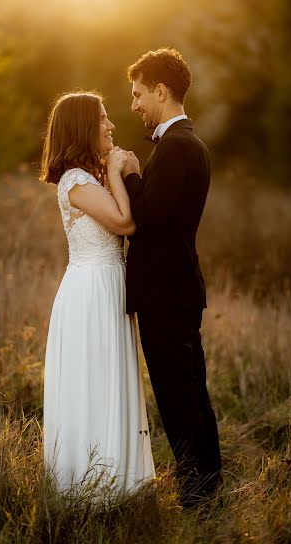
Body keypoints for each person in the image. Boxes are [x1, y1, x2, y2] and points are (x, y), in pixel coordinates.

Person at [40, 91, 155, 498]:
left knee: (111, 379)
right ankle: (89, 488)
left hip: (108, 287)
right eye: (103, 119)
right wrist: (120, 169)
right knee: (92, 381)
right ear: (82, 128)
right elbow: (125, 223)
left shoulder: (92, 178)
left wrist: (114, 172)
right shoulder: (75, 181)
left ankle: (118, 482)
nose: (111, 125)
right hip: (90, 292)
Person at [121, 48, 222, 507]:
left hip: (167, 293)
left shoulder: (178, 146)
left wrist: (133, 175)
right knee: (191, 393)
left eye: (139, 94)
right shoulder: (186, 143)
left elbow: (148, 218)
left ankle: (197, 496)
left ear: (161, 91)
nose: (135, 104)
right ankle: (207, 489)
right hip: (175, 290)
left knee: (179, 398)